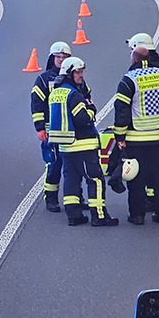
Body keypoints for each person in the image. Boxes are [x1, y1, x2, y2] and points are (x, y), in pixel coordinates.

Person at [114, 38, 159, 225]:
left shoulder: (129, 80)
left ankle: (137, 216)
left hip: (137, 137)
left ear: (133, 60)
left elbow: (122, 110)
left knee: (136, 176)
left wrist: (119, 136)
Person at [47, 57, 118, 226]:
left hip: (65, 147)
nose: (81, 75)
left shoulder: (56, 93)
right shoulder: (74, 95)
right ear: (69, 73)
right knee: (96, 179)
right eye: (78, 72)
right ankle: (99, 216)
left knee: (71, 181)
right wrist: (92, 109)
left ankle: (74, 216)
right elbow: (82, 119)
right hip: (83, 146)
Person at [30, 41, 80, 212]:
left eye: (64, 57)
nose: (60, 60)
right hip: (52, 130)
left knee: (75, 165)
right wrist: (40, 128)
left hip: (73, 130)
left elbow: (85, 97)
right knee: (54, 164)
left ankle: (76, 198)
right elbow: (37, 104)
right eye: (58, 57)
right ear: (52, 58)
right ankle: (51, 198)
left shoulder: (75, 77)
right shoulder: (43, 80)